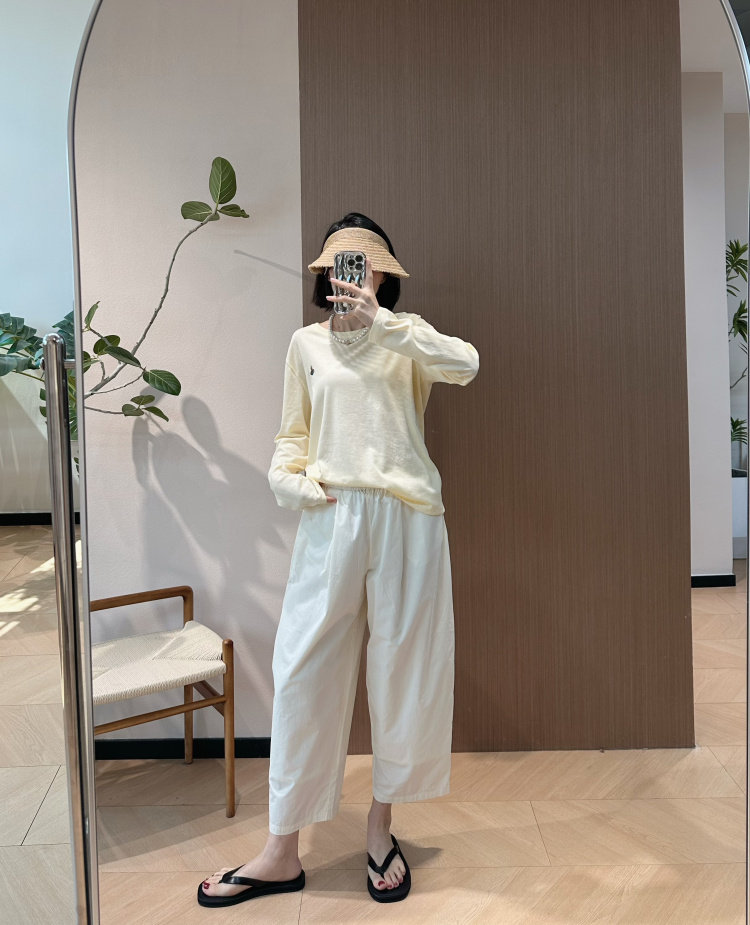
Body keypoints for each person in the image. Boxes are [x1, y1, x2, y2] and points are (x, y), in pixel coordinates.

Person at [197, 212, 479, 908]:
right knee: (302, 672)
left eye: (365, 263)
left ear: (383, 274)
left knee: (404, 671)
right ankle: (281, 850)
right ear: (325, 274)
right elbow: (291, 435)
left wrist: (384, 322)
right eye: (341, 264)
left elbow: (467, 364)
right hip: (331, 516)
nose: (351, 275)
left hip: (408, 517)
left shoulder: (407, 337)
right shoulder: (306, 344)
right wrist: (289, 483)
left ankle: (381, 828)